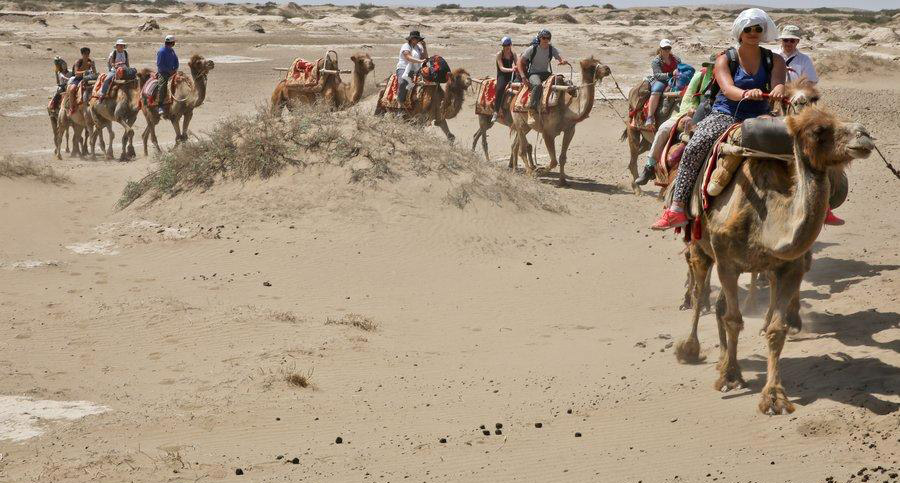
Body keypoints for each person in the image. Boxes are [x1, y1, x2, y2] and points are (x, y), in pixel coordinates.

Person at [652, 8, 785, 231]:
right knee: (695, 146)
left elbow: (779, 82)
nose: (753, 32)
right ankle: (677, 207)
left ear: (763, 32)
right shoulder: (726, 58)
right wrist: (745, 93)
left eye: (757, 29)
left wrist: (779, 89)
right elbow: (727, 88)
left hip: (760, 115)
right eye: (748, 29)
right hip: (726, 114)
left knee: (802, 143)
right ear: (740, 33)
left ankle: (817, 205)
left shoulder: (775, 60)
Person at [776, 24, 840, 225]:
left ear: (797, 42)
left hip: (800, 105)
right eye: (786, 40)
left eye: (792, 40)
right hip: (774, 101)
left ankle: (825, 205)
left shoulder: (804, 60)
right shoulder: (773, 56)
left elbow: (811, 84)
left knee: (815, 147)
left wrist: (796, 92)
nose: (788, 43)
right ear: (781, 41)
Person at [634, 53, 716, 186]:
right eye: (713, 66)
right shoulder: (700, 77)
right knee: (664, 128)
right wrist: (692, 110)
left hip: (717, 116)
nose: (716, 69)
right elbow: (689, 97)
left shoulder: (730, 79)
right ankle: (649, 166)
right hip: (690, 112)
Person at [517, 29, 569, 112]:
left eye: (548, 38)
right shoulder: (532, 49)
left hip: (546, 73)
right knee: (537, 85)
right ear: (540, 38)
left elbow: (559, 57)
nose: (546, 40)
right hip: (534, 74)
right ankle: (532, 108)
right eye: (544, 38)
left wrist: (563, 61)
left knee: (561, 80)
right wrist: (523, 76)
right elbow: (519, 62)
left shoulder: (551, 49)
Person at [644, 39, 682, 127]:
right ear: (661, 49)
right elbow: (657, 75)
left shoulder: (676, 59)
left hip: (674, 79)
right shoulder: (656, 61)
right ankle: (650, 117)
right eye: (665, 48)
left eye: (669, 48)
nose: (667, 50)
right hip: (661, 80)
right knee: (656, 90)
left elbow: (681, 68)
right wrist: (670, 74)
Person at [396, 30, 427, 104]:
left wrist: (424, 47)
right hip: (403, 67)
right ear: (411, 39)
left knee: (429, 78)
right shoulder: (406, 46)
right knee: (403, 82)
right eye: (415, 38)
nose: (416, 40)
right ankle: (400, 103)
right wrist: (420, 61)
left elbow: (424, 57)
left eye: (418, 39)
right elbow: (408, 57)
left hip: (416, 69)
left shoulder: (418, 47)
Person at [492, 36, 517, 123]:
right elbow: (501, 68)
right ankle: (496, 111)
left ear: (511, 45)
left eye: (508, 45)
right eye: (504, 45)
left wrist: (518, 69)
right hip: (502, 75)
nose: (506, 47)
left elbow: (517, 64)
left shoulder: (513, 54)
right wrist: (512, 69)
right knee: (500, 89)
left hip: (511, 74)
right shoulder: (499, 54)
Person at [67, 47, 96, 112]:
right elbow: (76, 72)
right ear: (82, 54)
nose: (87, 55)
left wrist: (93, 66)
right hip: (78, 79)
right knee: (72, 89)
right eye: (85, 54)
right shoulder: (78, 62)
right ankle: (71, 107)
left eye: (88, 53)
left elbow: (94, 72)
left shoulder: (90, 61)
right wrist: (85, 71)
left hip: (88, 79)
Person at [156, 35, 179, 115]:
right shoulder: (161, 51)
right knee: (162, 86)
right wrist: (169, 71)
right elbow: (160, 65)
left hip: (173, 72)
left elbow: (176, 60)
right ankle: (160, 106)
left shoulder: (172, 51)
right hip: (163, 73)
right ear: (172, 43)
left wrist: (175, 69)